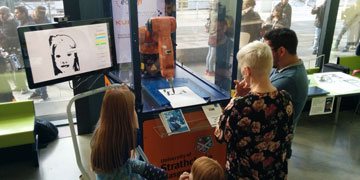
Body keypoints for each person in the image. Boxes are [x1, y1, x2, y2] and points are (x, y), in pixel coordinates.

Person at [214, 41, 294, 179]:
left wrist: (236, 97)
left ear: (247, 71)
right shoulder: (285, 98)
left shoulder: (240, 105)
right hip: (275, 173)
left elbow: (219, 135)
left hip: (244, 175)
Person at [91, 85, 167, 179]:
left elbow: (113, 107)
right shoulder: (126, 139)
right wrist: (133, 113)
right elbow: (137, 134)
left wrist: (125, 94)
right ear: (127, 114)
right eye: (133, 107)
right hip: (122, 173)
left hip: (110, 171)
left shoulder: (101, 130)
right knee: (162, 175)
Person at [263, 28, 308, 126]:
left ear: (281, 51)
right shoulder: (281, 67)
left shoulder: (288, 80)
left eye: (267, 51)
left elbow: (255, 105)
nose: (265, 55)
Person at [0, 6, 29, 94]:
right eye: (0, 14)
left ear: (8, 13)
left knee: (18, 68)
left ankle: (24, 87)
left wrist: (5, 38)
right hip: (7, 49)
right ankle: (19, 85)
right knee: (14, 69)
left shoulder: (14, 23)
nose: (1, 16)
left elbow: (18, 38)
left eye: (3, 13)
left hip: (15, 50)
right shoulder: (3, 22)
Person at [28, 6, 50, 100]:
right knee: (36, 72)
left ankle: (43, 93)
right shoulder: (31, 20)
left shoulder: (46, 22)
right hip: (34, 49)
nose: (41, 14)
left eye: (42, 13)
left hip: (41, 50)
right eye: (39, 12)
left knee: (40, 73)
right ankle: (38, 91)